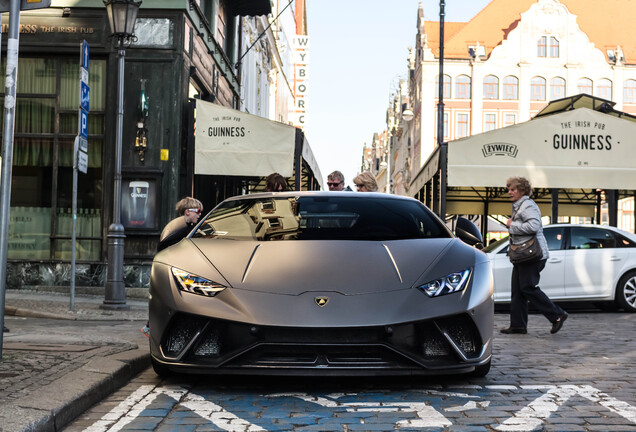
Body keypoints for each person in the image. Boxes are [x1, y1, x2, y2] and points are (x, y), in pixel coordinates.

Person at [501, 176, 568, 335]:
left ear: (522, 190)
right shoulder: (519, 206)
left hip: (532, 255)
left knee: (527, 287)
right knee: (517, 291)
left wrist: (512, 225)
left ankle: (557, 314)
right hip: (522, 255)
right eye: (508, 189)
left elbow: (534, 226)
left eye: (513, 189)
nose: (509, 192)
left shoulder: (528, 205)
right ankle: (518, 325)